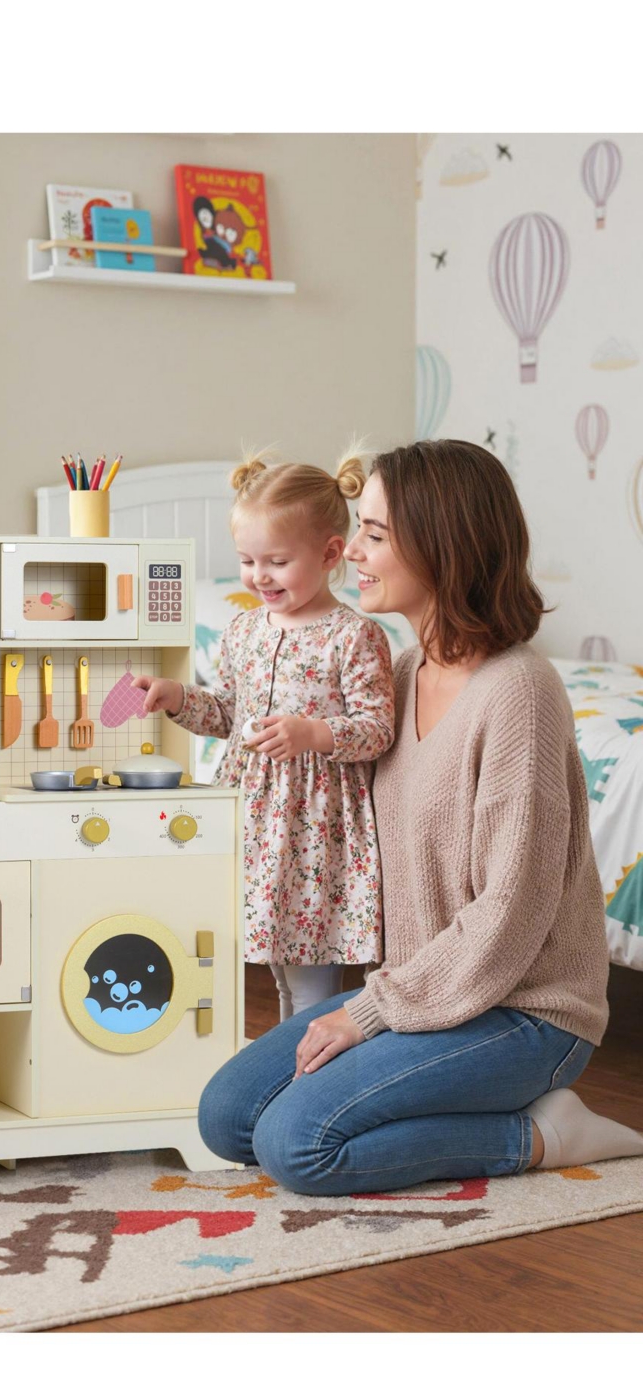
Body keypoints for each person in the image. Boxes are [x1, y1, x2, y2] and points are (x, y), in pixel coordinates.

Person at [197, 439, 643, 1193]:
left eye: (372, 535)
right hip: (418, 992)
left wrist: (364, 1017)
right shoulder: (395, 677)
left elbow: (510, 909)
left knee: (296, 1145)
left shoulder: (519, 693)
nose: (352, 554)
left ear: (441, 545)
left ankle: (540, 1132)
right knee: (226, 1117)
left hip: (524, 1013)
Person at [134, 453, 395, 1020]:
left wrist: (314, 733)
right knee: (277, 974)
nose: (259, 576)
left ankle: (306, 1081)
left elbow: (377, 730)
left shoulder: (355, 637)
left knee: (309, 978)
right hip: (251, 819)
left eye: (277, 561)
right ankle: (284, 1072)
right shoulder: (243, 630)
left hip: (312, 827)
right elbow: (228, 713)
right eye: (248, 561)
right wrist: (177, 697)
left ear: (330, 554)